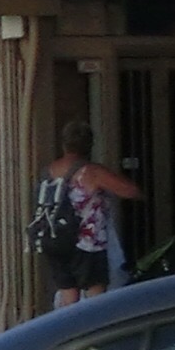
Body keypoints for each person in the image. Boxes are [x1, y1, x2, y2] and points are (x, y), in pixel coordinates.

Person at [28, 120, 138, 310]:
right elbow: (129, 190)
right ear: (90, 144)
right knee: (95, 297)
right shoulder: (91, 171)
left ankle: (68, 334)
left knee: (68, 296)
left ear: (63, 144)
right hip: (87, 243)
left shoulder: (48, 171)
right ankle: (93, 334)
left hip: (55, 239)